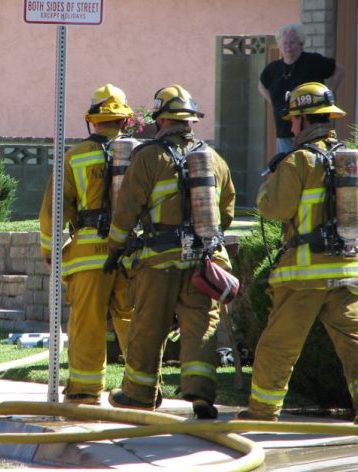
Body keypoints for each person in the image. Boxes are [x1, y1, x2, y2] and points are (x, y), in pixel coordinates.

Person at [239, 82, 358, 425]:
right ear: (329, 119)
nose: (292, 126)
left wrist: (267, 187)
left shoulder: (298, 161)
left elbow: (274, 209)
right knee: (357, 342)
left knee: (279, 345)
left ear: (300, 120)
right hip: (348, 271)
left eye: (293, 120)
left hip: (303, 277)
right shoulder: (357, 165)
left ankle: (262, 413)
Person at [103, 85, 235, 419]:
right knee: (200, 328)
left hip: (160, 259)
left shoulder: (148, 156)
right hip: (203, 262)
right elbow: (227, 212)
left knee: (149, 326)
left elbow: (126, 209)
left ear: (161, 120)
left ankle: (138, 394)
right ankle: (201, 395)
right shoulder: (214, 160)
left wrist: (115, 249)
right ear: (190, 121)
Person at [38, 84, 134, 405]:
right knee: (134, 320)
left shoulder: (75, 156)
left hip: (87, 256)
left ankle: (84, 389)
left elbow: (54, 210)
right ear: (125, 121)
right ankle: (143, 389)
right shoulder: (141, 155)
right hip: (131, 253)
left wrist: (51, 250)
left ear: (92, 121)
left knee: (87, 323)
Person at [258, 23, 344, 154]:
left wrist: (329, 93)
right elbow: (261, 85)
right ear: (279, 46)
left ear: (300, 43)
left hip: (313, 132)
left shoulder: (313, 61)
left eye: (292, 42)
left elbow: (339, 70)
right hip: (284, 131)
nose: (288, 47)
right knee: (287, 168)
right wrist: (273, 102)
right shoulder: (273, 69)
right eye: (284, 43)